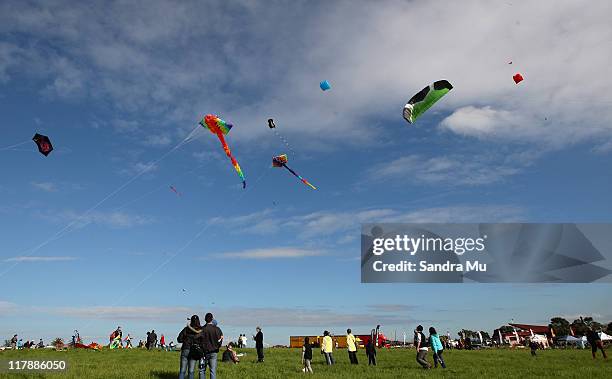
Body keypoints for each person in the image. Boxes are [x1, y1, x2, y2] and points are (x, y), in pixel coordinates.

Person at [177, 315, 204, 379]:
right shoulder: (201, 330)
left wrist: (185, 340)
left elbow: (179, 339)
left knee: (182, 370)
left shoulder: (186, 329)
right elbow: (203, 341)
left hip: (185, 349)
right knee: (191, 371)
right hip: (194, 351)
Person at [200, 312, 223, 379]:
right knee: (212, 371)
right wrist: (217, 347)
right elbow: (220, 339)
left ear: (205, 319)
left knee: (202, 370)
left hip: (203, 353)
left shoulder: (202, 329)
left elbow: (198, 340)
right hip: (214, 352)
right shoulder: (217, 329)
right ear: (212, 319)